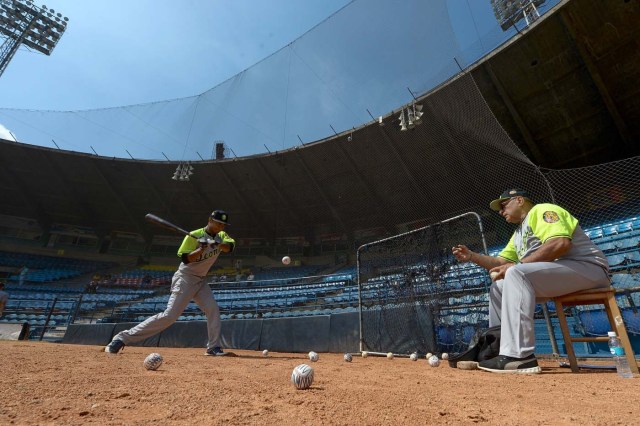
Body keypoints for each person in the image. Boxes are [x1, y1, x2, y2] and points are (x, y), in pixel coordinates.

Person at [452, 189, 609, 374]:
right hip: (560, 275)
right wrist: (472, 256)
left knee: (516, 273)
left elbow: (560, 243)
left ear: (519, 200)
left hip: (587, 268)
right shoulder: (518, 233)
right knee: (499, 287)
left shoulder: (542, 210)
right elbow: (500, 262)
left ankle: (520, 357)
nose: (501, 212)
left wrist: (515, 266)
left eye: (504, 205)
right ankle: (497, 351)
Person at [105, 210, 235, 356]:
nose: (220, 227)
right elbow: (186, 259)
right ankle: (121, 338)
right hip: (185, 277)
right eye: (218, 223)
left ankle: (213, 347)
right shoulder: (193, 235)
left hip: (201, 280)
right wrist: (200, 248)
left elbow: (229, 248)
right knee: (170, 316)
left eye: (223, 225)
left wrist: (216, 243)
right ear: (210, 220)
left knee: (213, 311)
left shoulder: (222, 236)